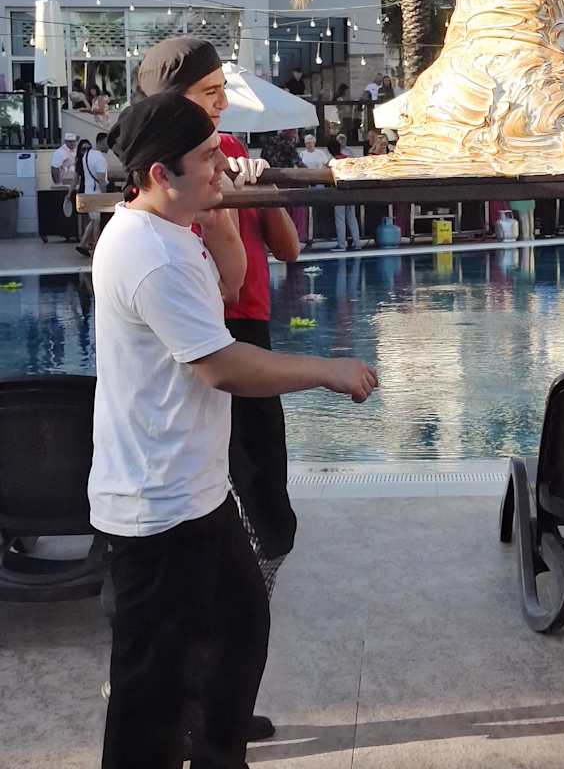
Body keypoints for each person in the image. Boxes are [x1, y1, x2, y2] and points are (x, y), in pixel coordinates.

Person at [93, 92, 378, 769]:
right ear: (160, 174)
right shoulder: (151, 255)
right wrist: (326, 370)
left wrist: (220, 213)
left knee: (241, 628)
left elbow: (230, 287)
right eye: (205, 159)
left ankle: (221, 757)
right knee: (150, 706)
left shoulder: (172, 231)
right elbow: (221, 365)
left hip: (195, 493)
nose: (221, 166)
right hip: (157, 508)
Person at [138, 36, 302, 744]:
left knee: (266, 519)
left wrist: (260, 192)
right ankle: (197, 696)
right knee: (207, 529)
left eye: (221, 93)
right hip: (209, 342)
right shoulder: (161, 184)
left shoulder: (226, 154)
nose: (221, 106)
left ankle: (218, 693)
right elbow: (222, 284)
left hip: (245, 334)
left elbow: (286, 250)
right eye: (208, 95)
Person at [75, 132, 108, 257]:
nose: (109, 146)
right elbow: (102, 180)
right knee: (96, 222)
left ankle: (83, 243)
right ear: (102, 142)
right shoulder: (100, 159)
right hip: (96, 193)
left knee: (94, 220)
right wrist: (105, 197)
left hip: (88, 191)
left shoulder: (87, 155)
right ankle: (97, 249)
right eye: (107, 143)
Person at [327, 136, 361, 250]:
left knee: (340, 218)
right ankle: (357, 243)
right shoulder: (348, 159)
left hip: (338, 192)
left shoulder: (332, 162)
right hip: (350, 192)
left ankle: (342, 244)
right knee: (352, 218)